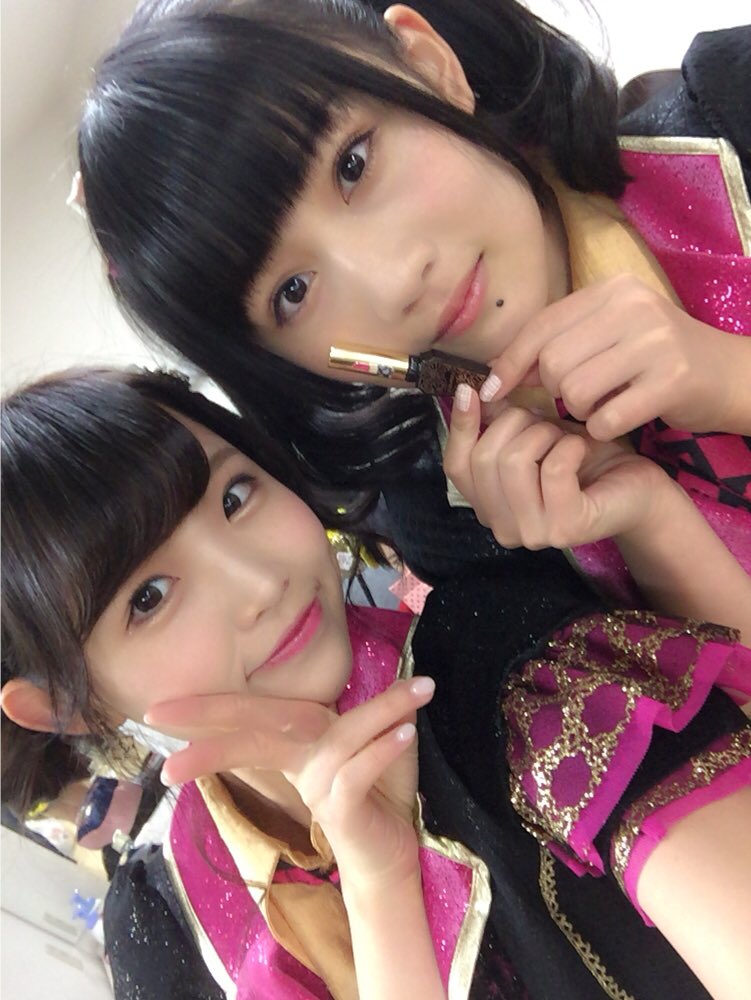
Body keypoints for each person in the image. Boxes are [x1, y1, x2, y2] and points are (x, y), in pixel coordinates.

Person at [2, 367, 750, 1000]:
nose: (260, 582)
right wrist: (380, 889)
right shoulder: (163, 926)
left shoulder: (509, 668)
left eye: (235, 497)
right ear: (65, 705)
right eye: (148, 598)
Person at [75, 0, 751, 597]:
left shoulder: (729, 99)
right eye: (292, 292)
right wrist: (645, 520)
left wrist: (729, 377)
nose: (393, 282)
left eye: (353, 164)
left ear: (430, 65)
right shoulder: (449, 516)